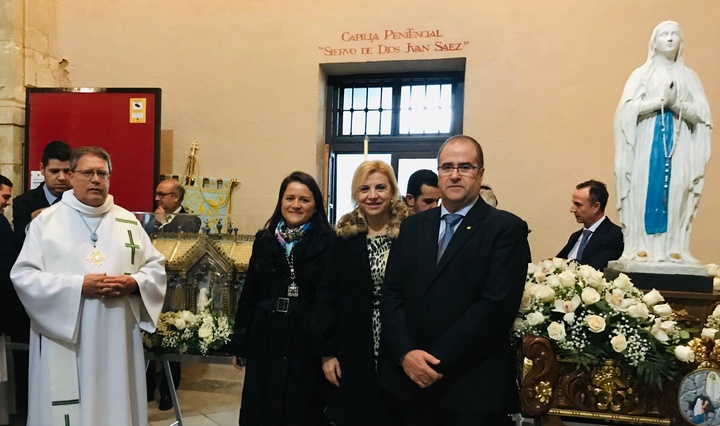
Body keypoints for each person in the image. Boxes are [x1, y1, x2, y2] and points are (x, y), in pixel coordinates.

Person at [10, 146, 166, 425]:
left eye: (102, 173)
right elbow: (24, 276)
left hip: (117, 334)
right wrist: (78, 286)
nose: (96, 179)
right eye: (87, 173)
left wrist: (133, 282)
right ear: (71, 176)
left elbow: (155, 268)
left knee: (115, 401)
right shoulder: (46, 221)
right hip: (68, 336)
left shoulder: (127, 221)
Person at [380, 135, 530, 426]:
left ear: (481, 174)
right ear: (438, 174)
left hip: (471, 387)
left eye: (465, 167)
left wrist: (433, 360)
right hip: (408, 383)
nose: (455, 175)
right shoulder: (413, 227)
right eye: (447, 167)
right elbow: (392, 294)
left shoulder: (505, 229)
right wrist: (406, 353)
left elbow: (495, 306)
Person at [229, 171, 334, 425]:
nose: (296, 205)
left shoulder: (328, 241)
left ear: (315, 205)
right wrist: (239, 341)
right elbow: (250, 292)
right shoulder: (264, 240)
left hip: (306, 339)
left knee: (300, 410)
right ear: (281, 202)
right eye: (290, 198)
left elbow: (330, 299)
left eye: (304, 200)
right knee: (262, 408)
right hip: (266, 335)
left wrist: (328, 349)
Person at [315, 160, 408, 426]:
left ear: (392, 191)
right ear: (356, 194)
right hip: (353, 342)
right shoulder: (343, 237)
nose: (373, 195)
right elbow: (327, 297)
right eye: (364, 189)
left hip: (399, 337)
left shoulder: (411, 234)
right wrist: (327, 352)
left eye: (381, 187)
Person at [614, 20, 712, 264]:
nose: (669, 38)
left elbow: (702, 114)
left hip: (679, 149)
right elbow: (626, 110)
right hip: (646, 147)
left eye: (674, 35)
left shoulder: (690, 77)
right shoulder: (642, 74)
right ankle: (642, 249)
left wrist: (675, 103)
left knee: (677, 190)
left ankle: (674, 250)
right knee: (643, 190)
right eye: (664, 34)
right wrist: (658, 102)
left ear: (681, 42)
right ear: (654, 42)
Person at [143, 179, 199, 410]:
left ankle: (167, 391)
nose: (157, 198)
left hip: (175, 287)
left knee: (172, 338)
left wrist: (163, 225)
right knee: (147, 336)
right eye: (157, 193)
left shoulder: (191, 220)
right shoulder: (148, 218)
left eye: (163, 194)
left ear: (176, 198)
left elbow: (182, 246)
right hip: (149, 284)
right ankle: (146, 388)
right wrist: (155, 224)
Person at [13, 140, 72, 250]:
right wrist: (33, 223)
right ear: (42, 169)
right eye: (54, 171)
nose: (62, 177)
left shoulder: (81, 200)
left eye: (67, 171)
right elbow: (18, 243)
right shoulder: (23, 202)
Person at [557, 180, 624, 271]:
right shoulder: (575, 236)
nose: (572, 209)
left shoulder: (615, 236)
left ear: (596, 207)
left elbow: (593, 268)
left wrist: (563, 265)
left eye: (578, 205)